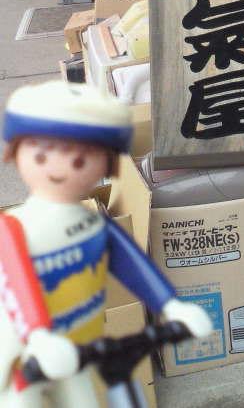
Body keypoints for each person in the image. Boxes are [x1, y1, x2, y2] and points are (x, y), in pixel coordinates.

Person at [0, 81, 211, 406]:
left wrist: (170, 305)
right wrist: (39, 336)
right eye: (41, 155)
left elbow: (131, 263)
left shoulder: (94, 225)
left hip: (80, 346)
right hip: (24, 358)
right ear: (17, 153)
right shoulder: (14, 228)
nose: (60, 168)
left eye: (80, 161)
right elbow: (17, 285)